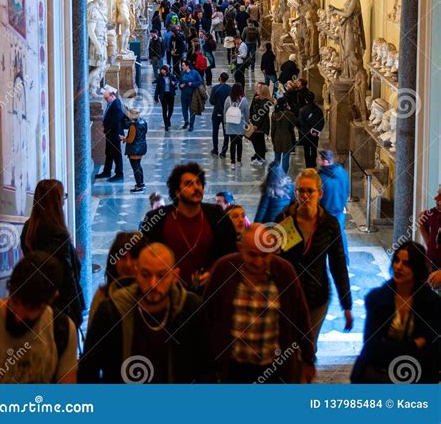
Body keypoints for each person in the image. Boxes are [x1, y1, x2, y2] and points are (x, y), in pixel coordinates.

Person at [79, 243, 215, 383]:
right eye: (146, 275)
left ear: (175, 276)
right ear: (136, 273)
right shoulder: (111, 311)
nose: (153, 284)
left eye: (161, 276)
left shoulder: (190, 309)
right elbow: (88, 370)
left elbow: (206, 369)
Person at [203, 224, 315, 383]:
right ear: (240, 248)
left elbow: (301, 318)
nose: (258, 262)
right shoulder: (223, 270)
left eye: (264, 255)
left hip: (275, 369)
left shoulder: (284, 272)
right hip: (233, 369)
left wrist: (308, 359)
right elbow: (206, 316)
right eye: (252, 255)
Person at [0, 252, 77, 384]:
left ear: (53, 297)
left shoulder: (61, 331)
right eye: (15, 302)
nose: (18, 317)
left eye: (31, 309)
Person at [277, 169, 353, 352]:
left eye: (309, 191)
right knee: (286, 348)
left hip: (316, 297)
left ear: (320, 193)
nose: (305, 195)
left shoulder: (329, 224)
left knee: (308, 347)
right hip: (288, 297)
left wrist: (347, 304)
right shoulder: (284, 220)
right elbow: (274, 262)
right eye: (300, 190)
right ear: (295, 193)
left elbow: (338, 264)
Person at [351, 241, 441, 383]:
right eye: (397, 260)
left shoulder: (431, 303)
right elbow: (372, 345)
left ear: (416, 268)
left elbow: (433, 347)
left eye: (406, 264)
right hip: (379, 376)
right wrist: (414, 345)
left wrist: (389, 346)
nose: (398, 267)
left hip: (417, 378)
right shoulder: (377, 299)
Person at [140, 162, 237, 291]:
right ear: (177, 192)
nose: (196, 188)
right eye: (189, 184)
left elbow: (230, 254)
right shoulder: (156, 219)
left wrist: (213, 273)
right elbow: (145, 257)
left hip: (209, 292)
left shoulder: (217, 215)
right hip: (168, 293)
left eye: (199, 183)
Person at [20, 180, 85, 329]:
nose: (63, 201)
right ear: (55, 201)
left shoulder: (28, 229)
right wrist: (76, 310)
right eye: (63, 196)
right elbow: (67, 276)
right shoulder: (57, 233)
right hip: (60, 304)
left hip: (38, 301)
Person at [88, 231, 144, 326]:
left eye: (134, 257)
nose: (128, 264)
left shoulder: (152, 296)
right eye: (122, 257)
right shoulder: (101, 296)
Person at [318, 150, 350, 261]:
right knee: (340, 235)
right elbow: (346, 189)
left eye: (320, 159)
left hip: (327, 212)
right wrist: (343, 204)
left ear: (325, 161)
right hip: (340, 210)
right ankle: (344, 259)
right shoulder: (342, 171)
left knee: (323, 238)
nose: (318, 161)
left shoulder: (321, 176)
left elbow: (320, 196)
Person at [95, 85, 124, 182]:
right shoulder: (112, 103)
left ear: (112, 96)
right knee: (109, 153)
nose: (106, 100)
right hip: (110, 133)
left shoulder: (116, 104)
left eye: (107, 98)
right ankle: (107, 171)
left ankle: (119, 173)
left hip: (114, 134)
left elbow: (116, 121)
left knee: (116, 154)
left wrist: (108, 128)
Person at [120, 107, 148, 192]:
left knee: (135, 167)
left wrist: (123, 138)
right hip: (142, 147)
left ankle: (139, 186)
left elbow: (130, 139)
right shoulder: (143, 121)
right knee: (139, 166)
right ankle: (142, 183)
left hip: (134, 149)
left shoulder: (133, 125)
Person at [223, 82, 249, 169]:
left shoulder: (228, 99)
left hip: (230, 124)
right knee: (239, 143)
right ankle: (239, 160)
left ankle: (232, 162)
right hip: (240, 124)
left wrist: (225, 123)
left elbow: (225, 111)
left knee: (232, 143)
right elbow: (246, 113)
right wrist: (247, 123)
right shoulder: (244, 100)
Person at [270, 96, 299, 172]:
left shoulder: (274, 114)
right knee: (286, 158)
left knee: (277, 158)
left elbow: (273, 129)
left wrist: (273, 139)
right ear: (285, 104)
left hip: (277, 137)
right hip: (287, 137)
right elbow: (297, 122)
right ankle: (284, 175)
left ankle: (275, 175)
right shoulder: (289, 114)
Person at [248, 82, 274, 165]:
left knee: (258, 140)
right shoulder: (257, 98)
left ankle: (260, 157)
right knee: (257, 140)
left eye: (259, 88)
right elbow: (252, 109)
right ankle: (259, 155)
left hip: (261, 124)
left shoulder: (266, 101)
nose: (257, 89)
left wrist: (256, 125)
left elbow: (262, 114)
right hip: (254, 122)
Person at [299, 91, 325, 168]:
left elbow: (302, 123)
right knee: (314, 148)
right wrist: (316, 131)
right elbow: (321, 122)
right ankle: (313, 164)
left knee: (306, 149)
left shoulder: (302, 110)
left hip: (305, 134)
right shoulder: (318, 110)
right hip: (315, 134)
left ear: (305, 100)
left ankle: (308, 165)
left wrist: (307, 131)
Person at [209, 71, 231, 158]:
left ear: (220, 78)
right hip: (226, 114)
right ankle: (223, 152)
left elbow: (211, 101)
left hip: (216, 112)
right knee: (226, 133)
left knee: (215, 132)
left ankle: (215, 150)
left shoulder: (215, 88)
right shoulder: (230, 89)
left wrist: (217, 103)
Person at [419, 184, 441, 271]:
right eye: (438, 194)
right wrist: (430, 245)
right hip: (433, 264)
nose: (435, 198)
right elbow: (421, 218)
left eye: (440, 196)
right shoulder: (435, 212)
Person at [178, 59, 202, 131]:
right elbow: (180, 82)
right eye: (182, 66)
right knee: (184, 109)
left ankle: (191, 124)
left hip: (192, 95)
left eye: (183, 65)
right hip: (184, 95)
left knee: (192, 110)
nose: (182, 67)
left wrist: (192, 84)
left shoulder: (194, 73)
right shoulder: (182, 73)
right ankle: (186, 121)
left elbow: (200, 81)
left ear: (187, 66)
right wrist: (180, 86)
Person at [154, 63, 178, 132]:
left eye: (164, 70)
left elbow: (176, 80)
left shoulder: (171, 76)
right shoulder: (159, 78)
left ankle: (168, 119)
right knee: (164, 110)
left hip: (170, 94)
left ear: (167, 70)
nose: (163, 72)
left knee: (171, 109)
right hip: (163, 95)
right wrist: (156, 98)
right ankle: (166, 125)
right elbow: (157, 88)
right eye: (162, 70)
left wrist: (174, 83)